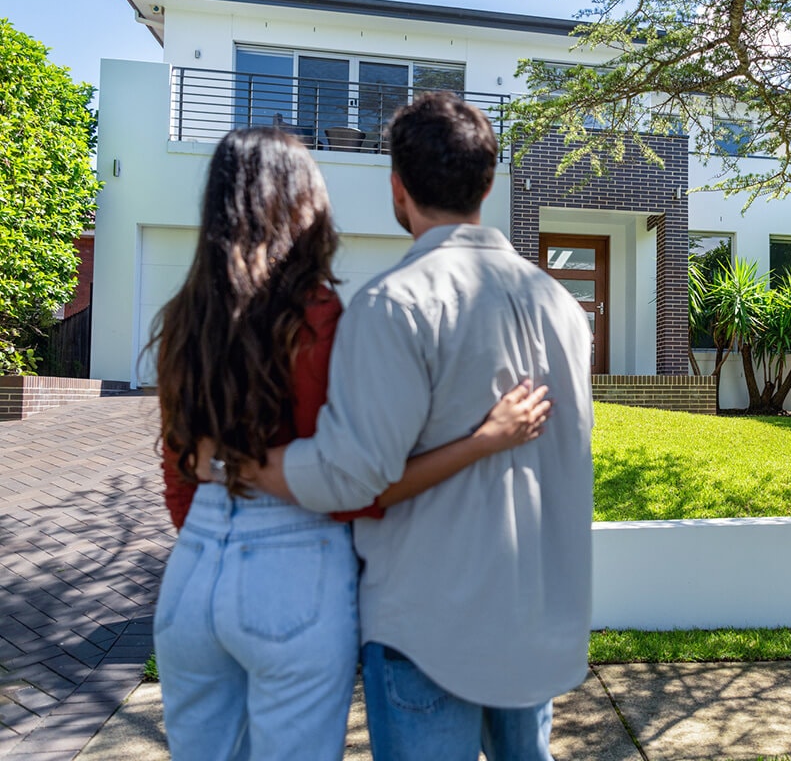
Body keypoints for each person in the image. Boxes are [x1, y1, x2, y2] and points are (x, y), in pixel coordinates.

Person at [149, 126, 551, 761]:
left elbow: (179, 473)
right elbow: (353, 486)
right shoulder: (316, 321)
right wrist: (483, 440)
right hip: (292, 570)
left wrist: (222, 483)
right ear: (305, 202)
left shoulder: (183, 318)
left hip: (192, 571)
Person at [240, 92, 595, 760]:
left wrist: (248, 464)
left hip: (428, 628)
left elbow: (350, 474)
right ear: (488, 184)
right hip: (534, 615)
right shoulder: (562, 306)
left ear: (397, 188)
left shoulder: (393, 303)